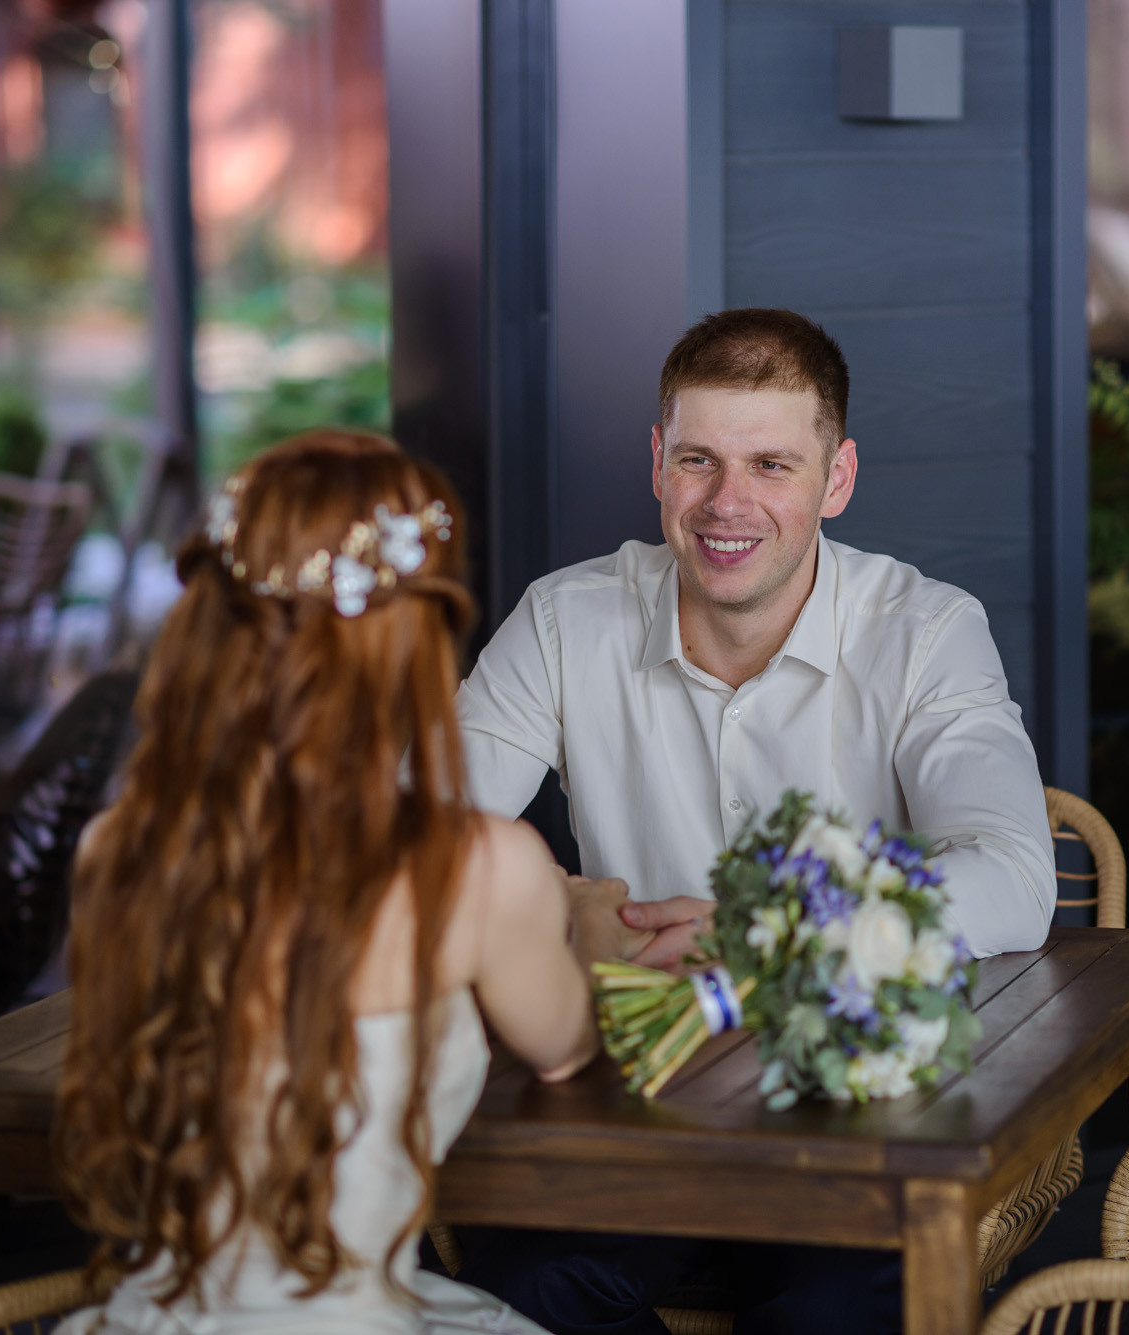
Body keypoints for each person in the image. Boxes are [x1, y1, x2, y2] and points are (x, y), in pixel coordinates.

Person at [453, 308, 1056, 1334]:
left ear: (837, 478)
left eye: (772, 464)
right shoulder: (564, 620)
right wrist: (560, 913)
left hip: (862, 1116)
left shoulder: (925, 632)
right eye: (698, 459)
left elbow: (1012, 877)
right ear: (655, 463)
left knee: (839, 1316)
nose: (727, 503)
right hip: (631, 1110)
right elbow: (416, 851)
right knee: (518, 1292)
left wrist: (758, 940)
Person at [53, 430, 645, 1334]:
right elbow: (566, 1051)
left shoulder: (118, 851)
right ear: (414, 644)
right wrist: (586, 930)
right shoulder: (476, 868)